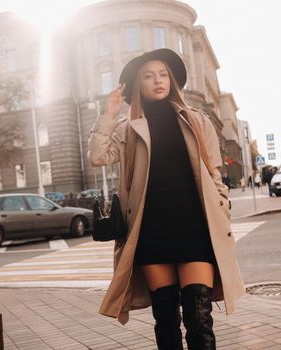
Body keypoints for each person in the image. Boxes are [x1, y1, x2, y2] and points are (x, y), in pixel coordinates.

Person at [88, 48, 245, 350]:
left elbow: (214, 173)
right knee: (166, 321)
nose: (157, 81)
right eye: (148, 76)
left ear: (172, 80)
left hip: (195, 229)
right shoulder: (127, 129)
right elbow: (97, 156)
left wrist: (222, 207)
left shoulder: (197, 120)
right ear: (138, 84)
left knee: (200, 321)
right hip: (151, 232)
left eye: (163, 75)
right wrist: (108, 116)